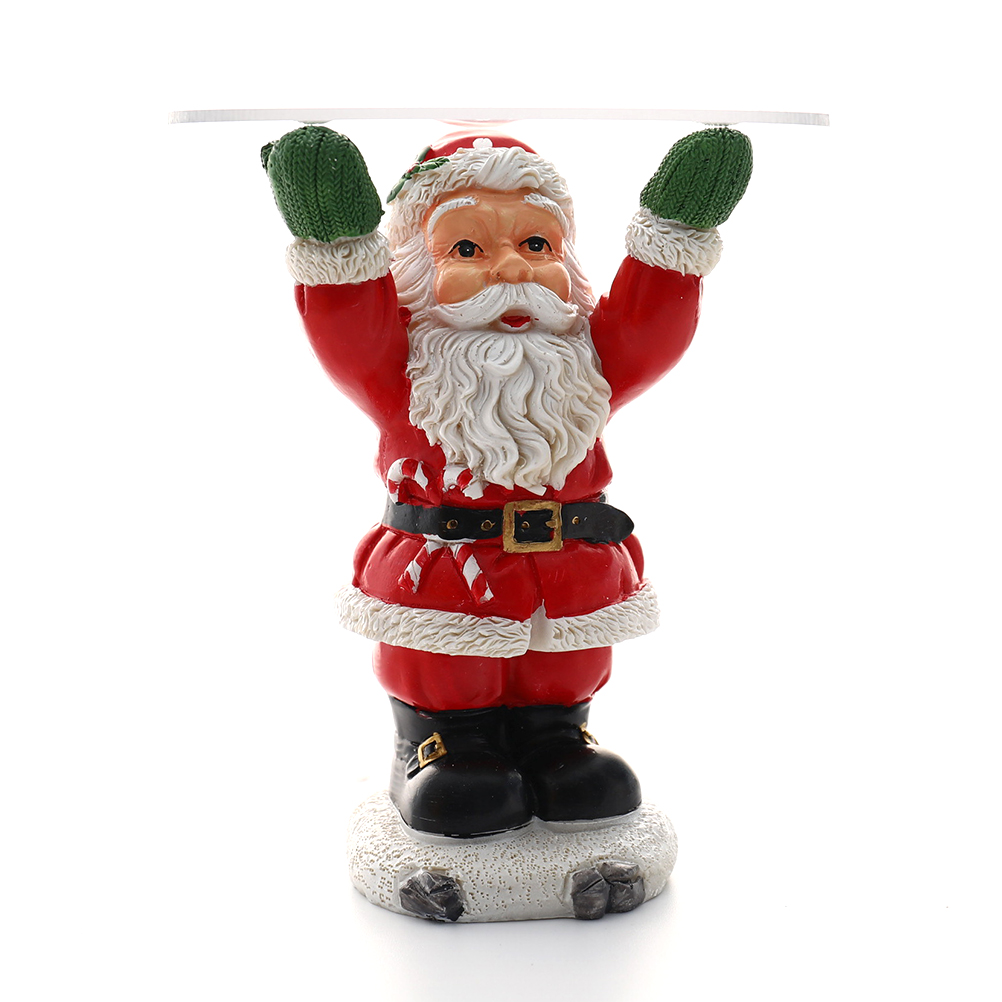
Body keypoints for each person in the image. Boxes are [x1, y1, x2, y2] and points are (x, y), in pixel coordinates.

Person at [262, 126, 752, 838]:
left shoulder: (583, 366)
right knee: (447, 664)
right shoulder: (410, 372)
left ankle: (557, 739)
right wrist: (338, 245)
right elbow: (350, 331)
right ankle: (441, 745)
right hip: (446, 570)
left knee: (565, 664)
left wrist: (673, 239)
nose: (512, 269)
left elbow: (648, 331)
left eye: (536, 244)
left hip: (568, 566)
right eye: (467, 250)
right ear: (416, 272)